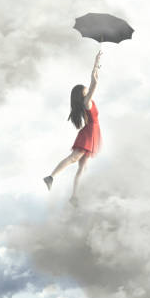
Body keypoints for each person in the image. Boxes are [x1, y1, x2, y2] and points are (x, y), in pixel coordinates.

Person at [43, 50, 103, 206]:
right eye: (85, 89)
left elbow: (93, 82)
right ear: (82, 94)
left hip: (93, 132)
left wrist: (97, 67)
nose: (87, 89)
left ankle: (74, 196)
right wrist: (95, 64)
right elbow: (94, 83)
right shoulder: (87, 102)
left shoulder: (87, 101)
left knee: (82, 167)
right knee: (74, 158)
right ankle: (51, 177)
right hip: (90, 133)